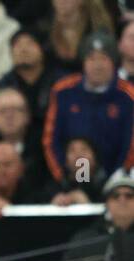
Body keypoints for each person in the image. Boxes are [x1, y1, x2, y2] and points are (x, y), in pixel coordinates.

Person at [43, 31, 134, 186]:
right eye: (91, 58)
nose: (97, 65)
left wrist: (116, 179)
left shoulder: (127, 96)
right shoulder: (63, 91)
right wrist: (62, 177)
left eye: (104, 58)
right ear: (83, 62)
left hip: (115, 178)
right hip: (72, 175)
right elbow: (51, 139)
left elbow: (130, 143)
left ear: (113, 63)